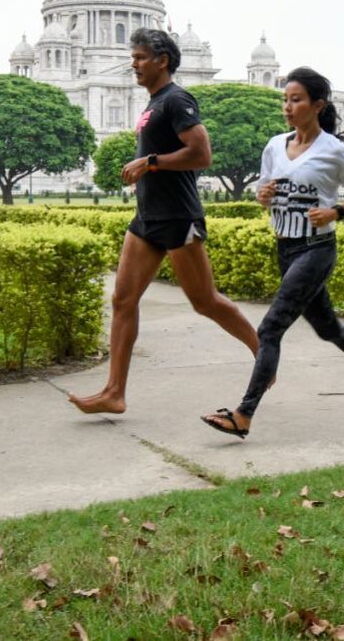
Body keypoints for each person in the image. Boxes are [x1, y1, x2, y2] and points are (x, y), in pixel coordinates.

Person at [201, 67, 344, 439]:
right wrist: (262, 195)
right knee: (329, 330)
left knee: (270, 328)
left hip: (316, 249)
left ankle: (243, 414)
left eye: (296, 100)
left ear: (317, 105)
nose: (287, 107)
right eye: (285, 99)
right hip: (286, 247)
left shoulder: (334, 151)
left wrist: (336, 212)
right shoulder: (274, 146)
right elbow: (264, 194)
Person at [69, 28, 259, 414]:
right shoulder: (154, 103)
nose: (134, 64)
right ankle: (114, 392)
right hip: (147, 217)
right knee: (123, 299)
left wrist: (150, 162)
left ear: (163, 60)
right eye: (133, 57)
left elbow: (201, 154)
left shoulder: (176, 99)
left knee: (205, 301)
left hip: (177, 215)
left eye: (140, 57)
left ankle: (264, 354)